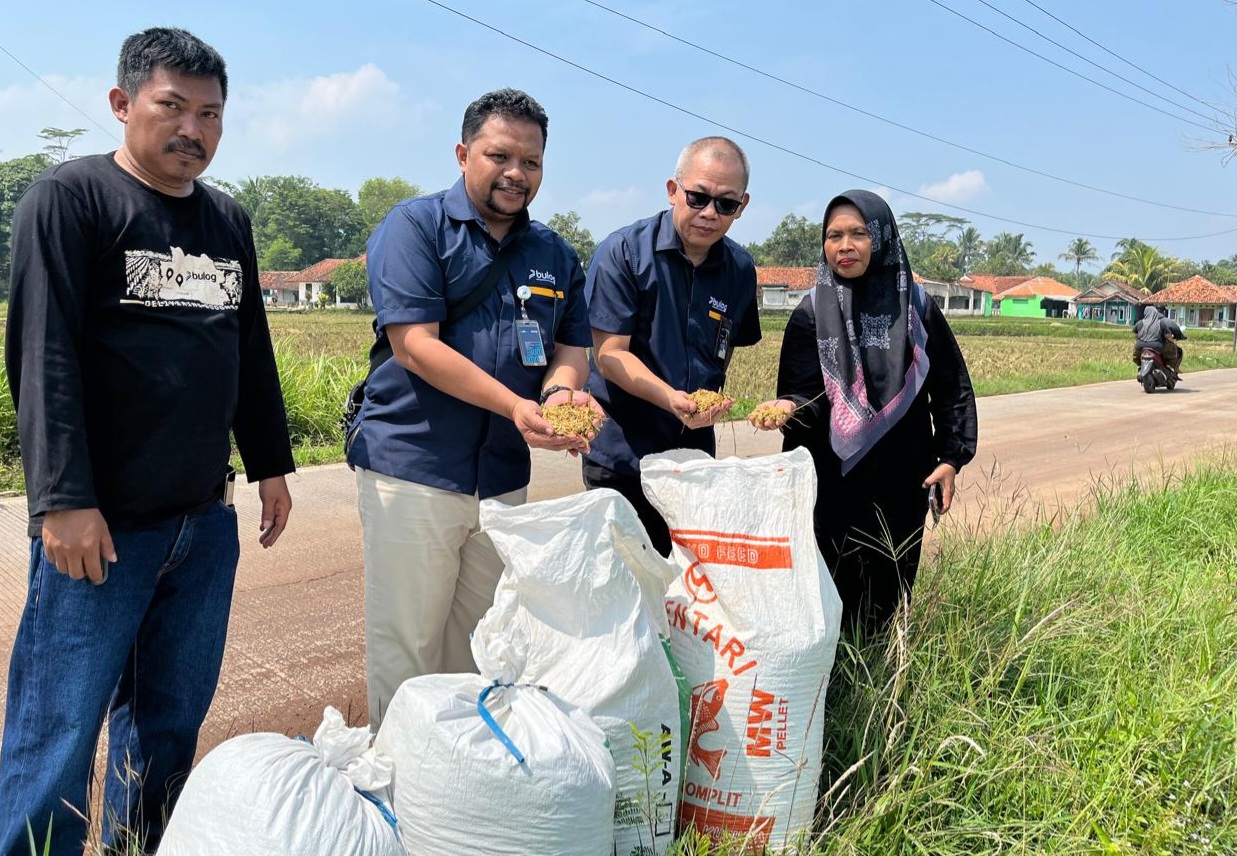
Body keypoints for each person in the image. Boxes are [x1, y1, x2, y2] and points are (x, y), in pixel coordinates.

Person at [0, 28, 294, 855]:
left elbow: (248, 349)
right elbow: (42, 355)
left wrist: (270, 462)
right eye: (172, 107)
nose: (192, 129)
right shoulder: (71, 200)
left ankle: (142, 845)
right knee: (58, 726)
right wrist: (63, 501)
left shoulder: (225, 219)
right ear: (124, 105)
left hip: (201, 521)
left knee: (169, 719)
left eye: (210, 113)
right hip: (100, 525)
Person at [345, 89, 600, 727]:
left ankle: (455, 798)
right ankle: (397, 794)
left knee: (476, 648)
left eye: (532, 162)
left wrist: (562, 392)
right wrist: (518, 404)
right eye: (499, 155)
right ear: (463, 154)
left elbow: (571, 344)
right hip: (413, 467)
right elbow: (415, 346)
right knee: (408, 647)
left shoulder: (554, 253)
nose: (517, 173)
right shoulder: (416, 226)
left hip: (501, 478)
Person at [750, 190, 977, 635]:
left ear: (882, 237)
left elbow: (951, 387)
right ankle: (831, 690)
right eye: (834, 235)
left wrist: (951, 458)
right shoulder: (811, 313)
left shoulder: (916, 309)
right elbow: (805, 397)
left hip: (902, 476)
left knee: (890, 590)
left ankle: (884, 684)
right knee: (827, 593)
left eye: (858, 233)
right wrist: (787, 406)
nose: (844, 245)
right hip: (831, 480)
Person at [582, 137, 761, 555]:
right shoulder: (624, 253)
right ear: (672, 190)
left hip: (692, 462)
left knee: (684, 590)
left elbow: (726, 346)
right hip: (623, 456)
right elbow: (609, 355)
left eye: (725, 204)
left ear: (743, 205)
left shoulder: (739, 269)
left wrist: (710, 399)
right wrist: (670, 399)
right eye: (697, 197)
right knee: (624, 586)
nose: (709, 213)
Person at [1132, 305, 1186, 374]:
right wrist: (1173, 342)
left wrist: (1140, 341)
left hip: (1140, 346)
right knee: (1172, 351)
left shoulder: (1140, 323)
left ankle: (1140, 367)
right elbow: (1168, 336)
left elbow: (1135, 335)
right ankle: (1170, 367)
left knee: (1136, 356)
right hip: (1156, 346)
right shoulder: (1161, 323)